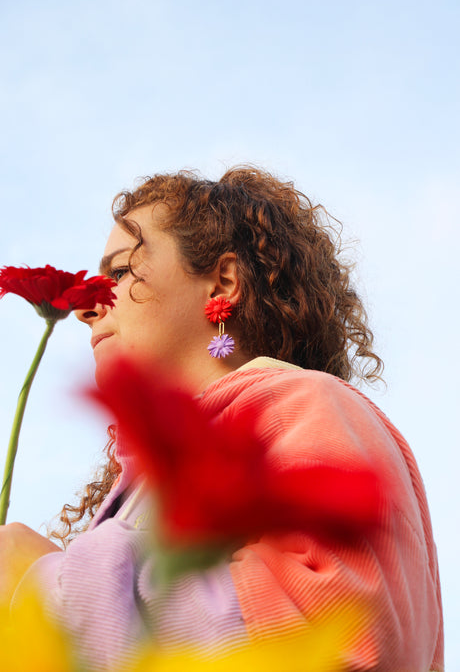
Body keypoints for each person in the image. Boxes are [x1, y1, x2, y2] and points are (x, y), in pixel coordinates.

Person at [0, 167, 443, 671]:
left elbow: (336, 629)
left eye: (120, 273)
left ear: (224, 283)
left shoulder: (306, 404)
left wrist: (38, 581)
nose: (89, 307)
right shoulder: (145, 479)